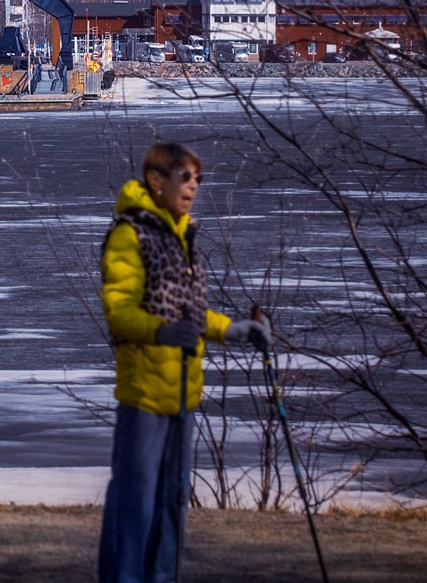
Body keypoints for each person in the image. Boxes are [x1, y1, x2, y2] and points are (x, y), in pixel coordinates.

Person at [98, 142, 270, 583]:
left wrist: (234, 330)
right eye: (185, 177)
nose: (194, 186)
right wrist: (161, 332)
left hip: (183, 392)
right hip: (144, 393)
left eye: (199, 178)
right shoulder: (130, 235)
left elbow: (189, 314)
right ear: (156, 180)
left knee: (173, 499)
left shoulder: (183, 236)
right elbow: (119, 312)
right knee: (135, 500)